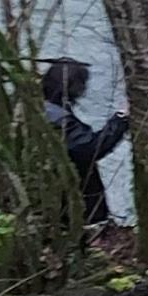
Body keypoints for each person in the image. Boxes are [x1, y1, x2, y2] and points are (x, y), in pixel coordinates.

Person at [41, 57, 130, 224]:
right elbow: (91, 148)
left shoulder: (39, 106)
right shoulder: (59, 120)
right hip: (75, 201)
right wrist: (121, 119)